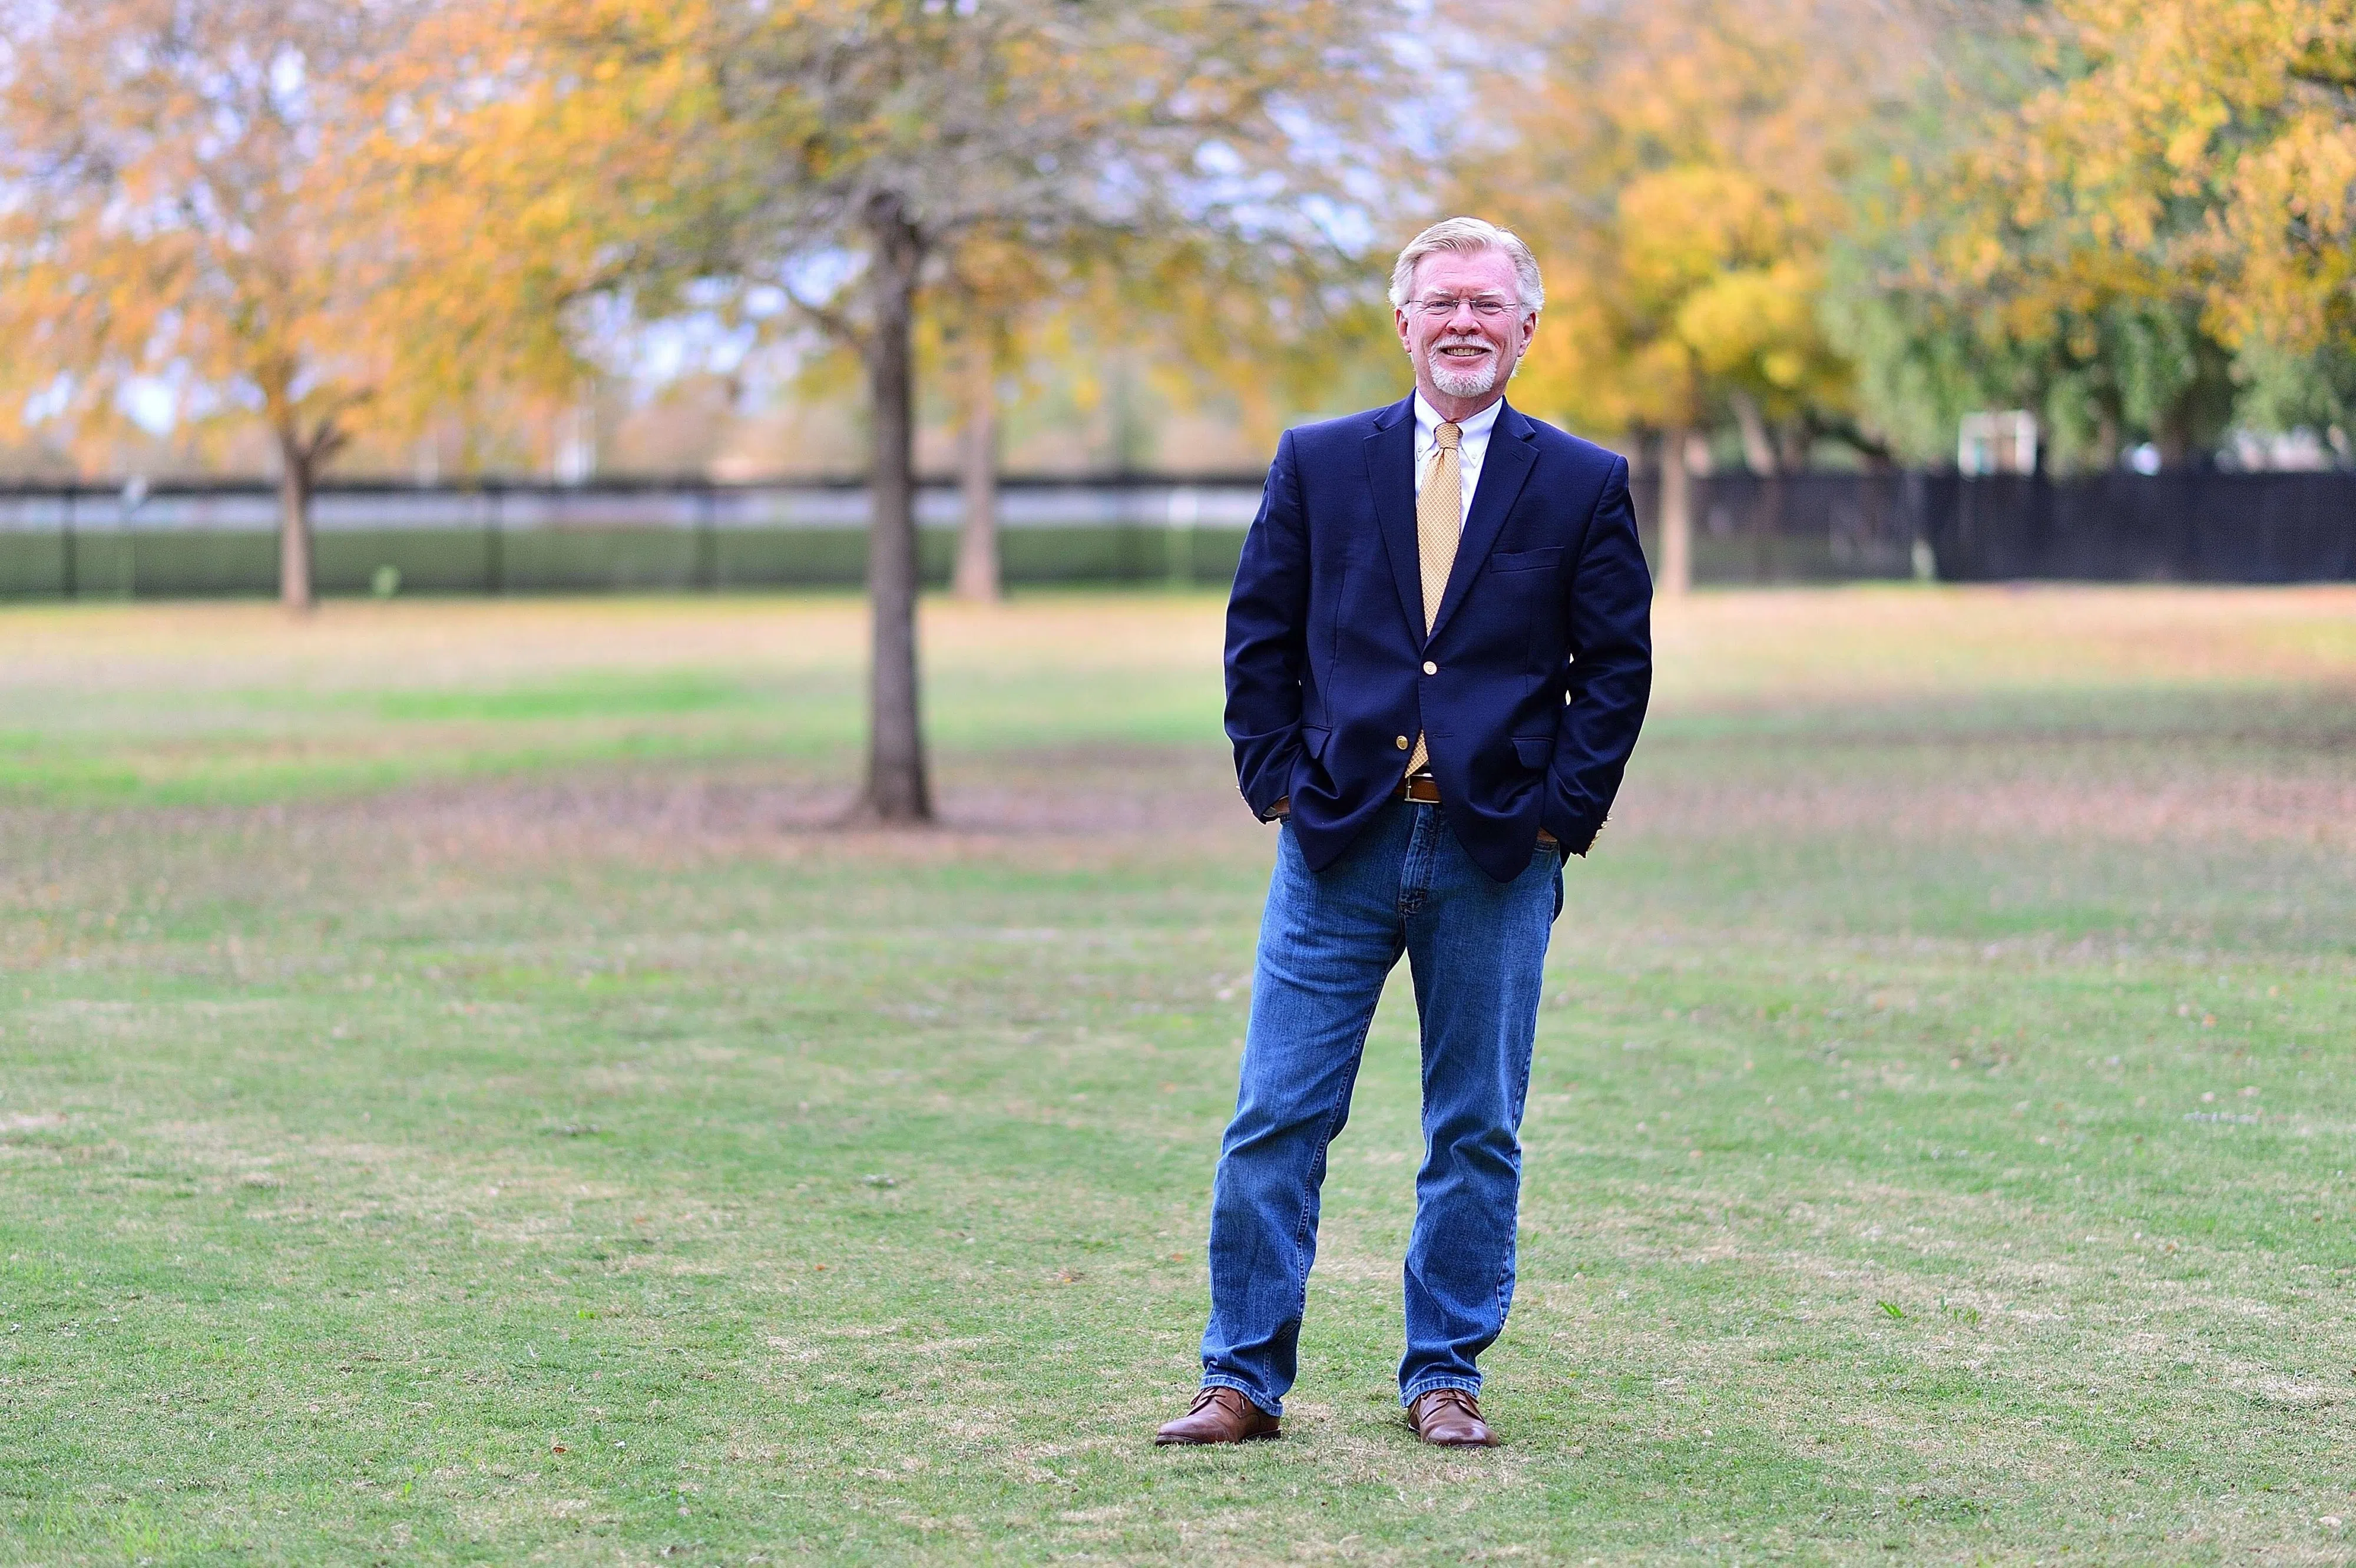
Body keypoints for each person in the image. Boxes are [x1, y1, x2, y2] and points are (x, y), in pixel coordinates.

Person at [1155, 217, 1653, 1448]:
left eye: (1488, 304)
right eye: (1441, 303)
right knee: (1275, 1112)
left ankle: (1444, 1372)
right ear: (1404, 321)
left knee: (1474, 1125)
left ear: (1526, 327)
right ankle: (1241, 1377)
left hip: (1495, 854)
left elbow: (1616, 669)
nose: (1464, 323)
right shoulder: (1320, 462)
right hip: (1335, 843)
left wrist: (1557, 819)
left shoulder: (1583, 480)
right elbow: (1256, 634)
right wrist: (1276, 781)